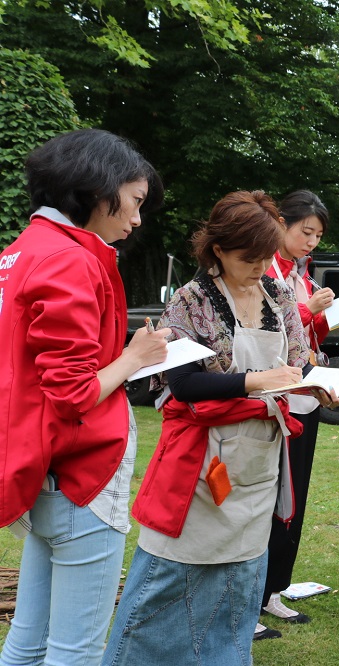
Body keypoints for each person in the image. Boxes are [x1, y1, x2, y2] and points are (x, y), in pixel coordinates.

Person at [102, 191, 339, 663]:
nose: (258, 267)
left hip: (258, 460)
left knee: (239, 586)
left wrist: (317, 386)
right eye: (247, 257)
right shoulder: (191, 301)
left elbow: (297, 364)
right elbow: (184, 384)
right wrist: (256, 380)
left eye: (264, 257)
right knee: (169, 580)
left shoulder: (277, 297)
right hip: (202, 459)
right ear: (217, 250)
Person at [0, 129, 169, 666]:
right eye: (135, 201)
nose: (137, 219)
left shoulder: (19, 252)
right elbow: (73, 393)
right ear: (98, 188)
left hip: (40, 467)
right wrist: (135, 357)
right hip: (81, 475)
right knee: (76, 652)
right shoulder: (70, 259)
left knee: (26, 643)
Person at [258, 190, 335, 631]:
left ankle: (273, 589)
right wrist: (308, 308)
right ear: (280, 223)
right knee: (268, 498)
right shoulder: (262, 268)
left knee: (295, 497)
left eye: (318, 236)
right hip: (274, 399)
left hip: (305, 396)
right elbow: (268, 328)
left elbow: (303, 333)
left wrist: (321, 314)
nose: (311, 242)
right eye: (305, 231)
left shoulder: (299, 274)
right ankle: (253, 592)